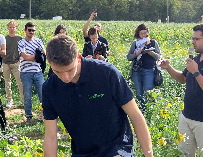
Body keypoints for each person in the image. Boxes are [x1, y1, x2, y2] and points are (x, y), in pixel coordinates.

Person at [43, 35, 154, 157]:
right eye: (58, 72)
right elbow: (51, 137)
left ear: (79, 58)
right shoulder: (50, 88)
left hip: (116, 149)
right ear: (49, 63)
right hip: (82, 152)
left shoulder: (106, 74)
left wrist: (149, 154)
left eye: (70, 70)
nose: (66, 77)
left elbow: (135, 116)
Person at [160, 24, 203, 157]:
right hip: (186, 117)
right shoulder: (195, 59)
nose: (192, 42)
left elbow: (195, 75)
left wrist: (196, 72)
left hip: (201, 121)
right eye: (192, 38)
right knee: (184, 154)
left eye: (196, 39)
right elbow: (183, 78)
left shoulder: (195, 65)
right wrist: (168, 68)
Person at [127, 23, 161, 111]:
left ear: (147, 33)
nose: (143, 35)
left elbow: (159, 57)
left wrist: (151, 53)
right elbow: (129, 57)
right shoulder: (135, 43)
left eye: (145, 33)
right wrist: (136, 54)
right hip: (136, 70)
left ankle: (151, 111)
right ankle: (142, 112)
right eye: (141, 33)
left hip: (149, 70)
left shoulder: (153, 42)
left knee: (148, 92)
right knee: (139, 93)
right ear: (138, 33)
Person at [18, 22, 45, 124]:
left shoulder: (38, 41)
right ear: (25, 30)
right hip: (25, 73)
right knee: (27, 95)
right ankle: (28, 116)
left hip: (38, 72)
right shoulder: (21, 42)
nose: (31, 32)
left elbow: (44, 54)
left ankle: (44, 113)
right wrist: (37, 56)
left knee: (43, 94)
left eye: (33, 30)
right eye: (29, 30)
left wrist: (36, 56)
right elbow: (25, 57)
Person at [3, 20, 24, 108]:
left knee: (20, 82)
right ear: (8, 28)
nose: (12, 29)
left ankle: (24, 100)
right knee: (7, 82)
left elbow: (23, 49)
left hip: (16, 63)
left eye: (13, 27)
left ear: (16, 28)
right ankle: (9, 100)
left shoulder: (19, 38)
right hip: (5, 63)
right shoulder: (4, 38)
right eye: (10, 27)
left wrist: (21, 58)